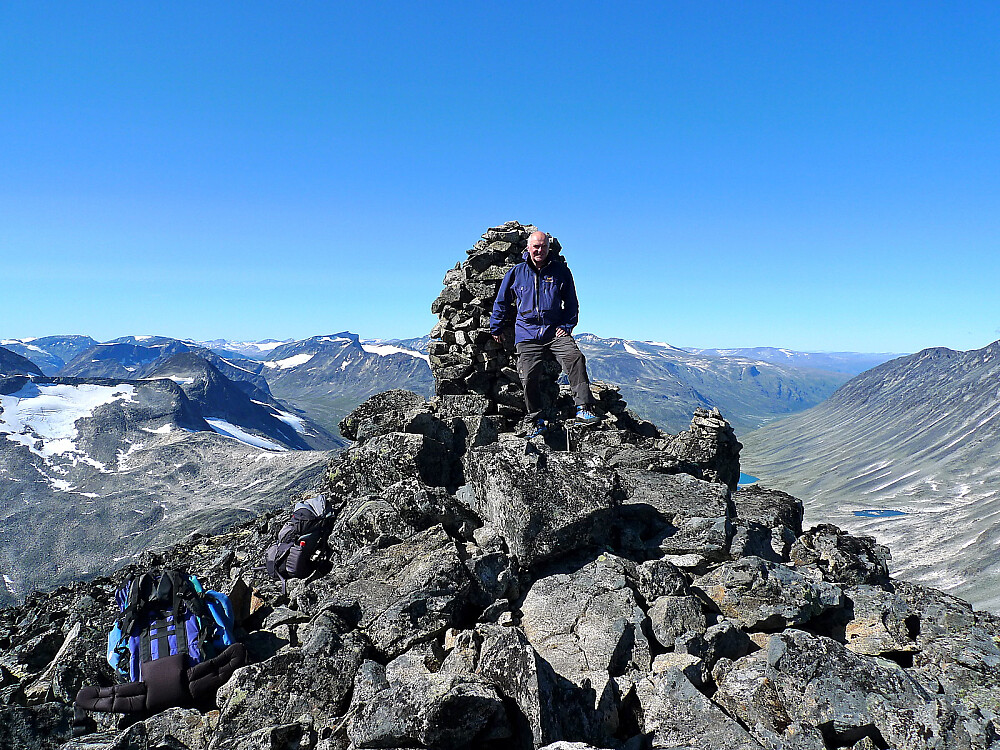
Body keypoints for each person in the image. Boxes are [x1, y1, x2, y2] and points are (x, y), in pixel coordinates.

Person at [489, 230, 601, 437]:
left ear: (549, 249)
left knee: (575, 357)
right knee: (528, 374)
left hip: (553, 331)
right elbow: (502, 301)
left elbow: (572, 302)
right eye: (535, 246)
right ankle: (536, 418)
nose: (539, 250)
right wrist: (495, 326)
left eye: (543, 246)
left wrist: (567, 325)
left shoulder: (561, 272)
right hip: (526, 332)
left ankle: (583, 408)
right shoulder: (516, 273)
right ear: (528, 248)